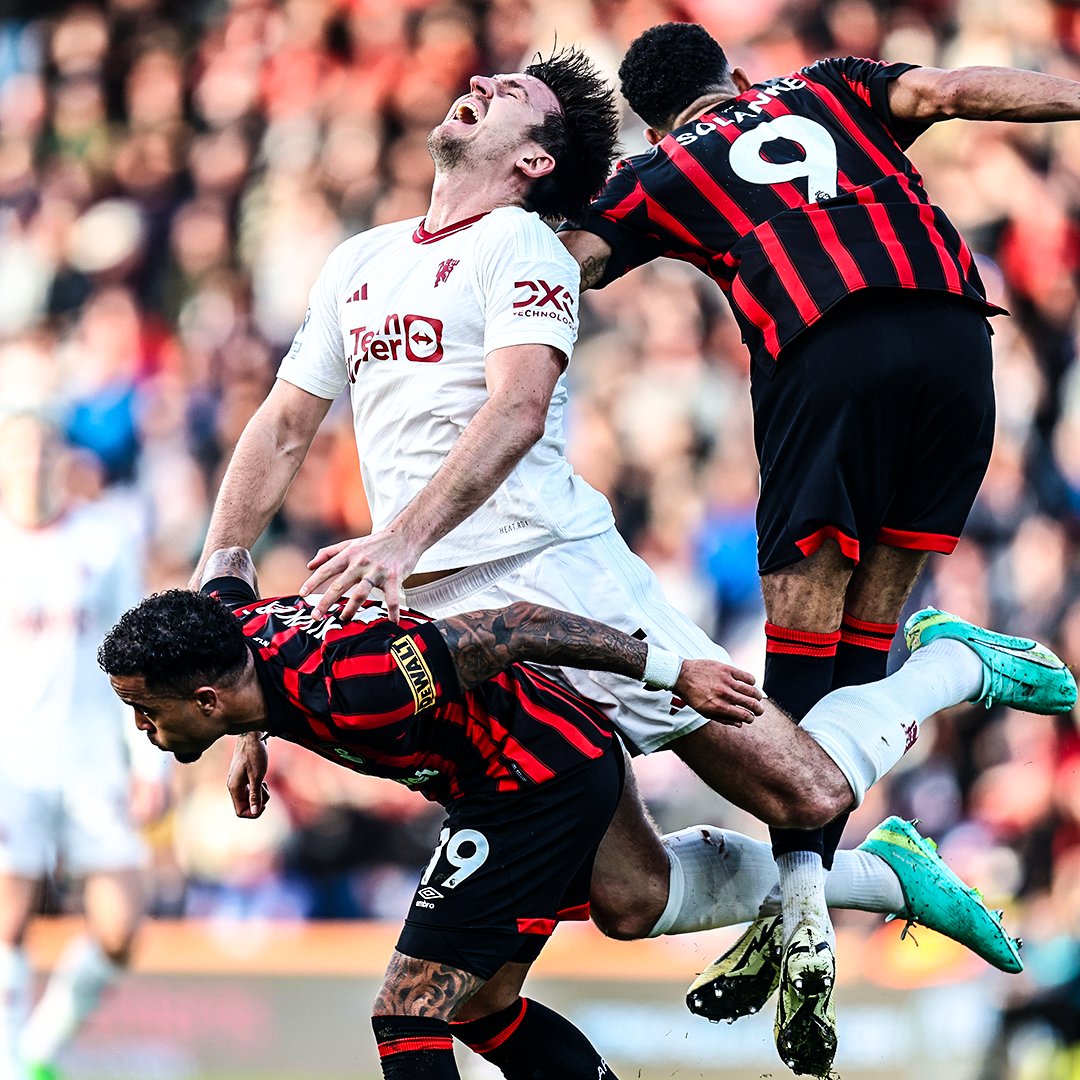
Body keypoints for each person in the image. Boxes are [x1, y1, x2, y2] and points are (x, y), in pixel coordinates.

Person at [191, 44, 1075, 1077]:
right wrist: (233, 619)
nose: (476, 85)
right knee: (627, 899)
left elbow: (520, 408)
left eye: (507, 94)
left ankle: (952, 668)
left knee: (804, 792)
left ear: (534, 162)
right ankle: (875, 880)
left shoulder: (525, 248)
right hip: (438, 608)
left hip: (551, 574)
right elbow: (285, 424)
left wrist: (398, 538)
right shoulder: (359, 260)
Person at [557, 22, 1080, 1073]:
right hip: (952, 337)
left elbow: (568, 259)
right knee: (865, 636)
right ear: (738, 79)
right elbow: (951, 91)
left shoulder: (661, 169)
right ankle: (808, 908)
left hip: (822, 350)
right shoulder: (832, 84)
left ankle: (805, 901)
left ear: (658, 120)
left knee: (806, 648)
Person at [103, 546, 1067, 1080]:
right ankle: (885, 874)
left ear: (206, 695)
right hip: (532, 761)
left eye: (148, 709)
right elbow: (226, 581)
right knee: (608, 922)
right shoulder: (234, 639)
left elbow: (516, 627)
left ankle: (952, 668)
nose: (145, 728)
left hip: (532, 777)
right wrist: (250, 734)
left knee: (409, 1011)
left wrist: (666, 668)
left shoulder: (356, 682)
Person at [0, 413, 167, 1080]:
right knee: (8, 917)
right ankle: (12, 1065)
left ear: (59, 462)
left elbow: (136, 657)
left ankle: (40, 1046)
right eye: (20, 454)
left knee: (121, 929)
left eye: (42, 453)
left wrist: (148, 759)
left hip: (92, 760)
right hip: (12, 764)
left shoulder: (104, 541)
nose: (33, 466)